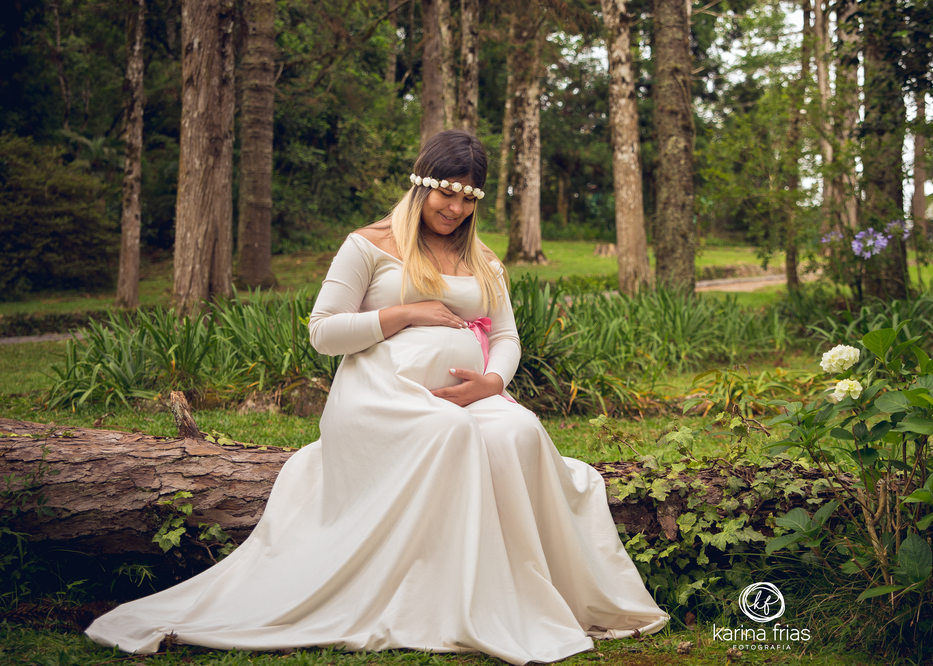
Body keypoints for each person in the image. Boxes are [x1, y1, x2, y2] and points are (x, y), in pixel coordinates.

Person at [85, 130, 668, 664]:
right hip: (377, 398)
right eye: (445, 194)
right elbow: (323, 332)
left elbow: (508, 337)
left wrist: (493, 382)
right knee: (451, 436)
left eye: (468, 199)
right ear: (420, 184)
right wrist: (404, 312)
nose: (455, 209)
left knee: (520, 432)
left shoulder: (483, 259)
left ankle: (521, 590)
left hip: (468, 397)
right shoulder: (368, 245)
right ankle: (441, 596)